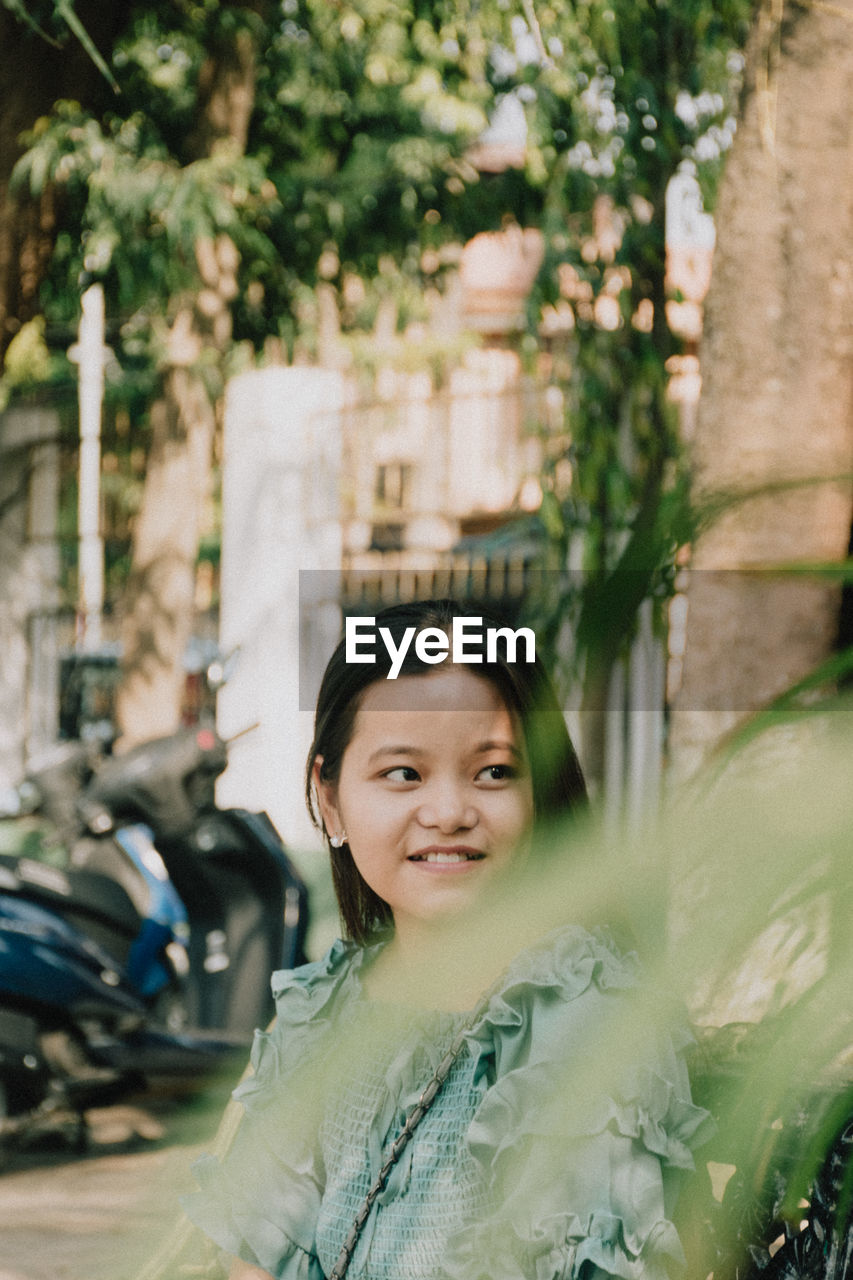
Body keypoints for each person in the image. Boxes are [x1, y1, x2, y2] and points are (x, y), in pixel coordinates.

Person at [183, 599, 709, 1280]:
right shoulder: (323, 1009)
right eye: (402, 772)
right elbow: (250, 1260)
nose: (449, 812)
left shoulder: (589, 1026)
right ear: (330, 797)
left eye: (492, 771)